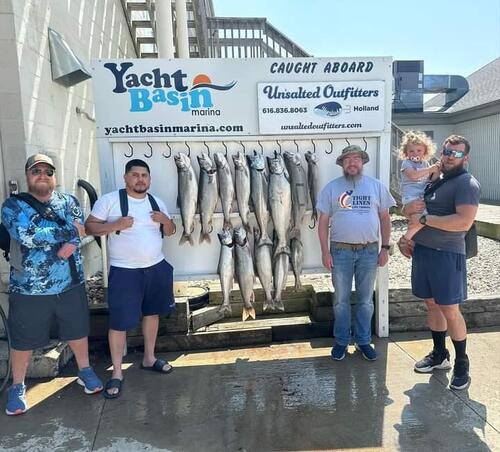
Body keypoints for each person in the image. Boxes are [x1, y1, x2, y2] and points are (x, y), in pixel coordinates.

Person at [1, 154, 103, 416]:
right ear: (27, 175)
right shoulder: (13, 206)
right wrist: (71, 232)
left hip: (70, 283)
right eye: (36, 171)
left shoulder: (69, 201)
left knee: (77, 331)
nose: (42, 176)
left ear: (54, 176)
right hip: (28, 288)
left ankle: (85, 371)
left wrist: (72, 239)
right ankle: (17, 386)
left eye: (48, 171)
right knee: (23, 340)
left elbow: (80, 229)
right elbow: (28, 236)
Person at [85, 159, 176, 399]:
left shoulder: (157, 202)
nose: (140, 179)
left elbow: (170, 231)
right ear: (125, 178)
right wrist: (116, 224)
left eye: (144, 175)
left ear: (149, 179)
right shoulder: (109, 201)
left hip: (156, 267)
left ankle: (149, 358)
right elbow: (90, 227)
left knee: (152, 314)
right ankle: (117, 372)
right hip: (124, 271)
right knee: (119, 323)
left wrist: (166, 221)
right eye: (135, 175)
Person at [399, 135, 480, 390]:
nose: (449, 156)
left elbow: (463, 222)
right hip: (423, 251)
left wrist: (424, 220)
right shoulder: (434, 178)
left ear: (465, 158)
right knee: (432, 304)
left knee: (449, 308)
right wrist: (407, 228)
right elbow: (411, 209)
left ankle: (462, 363)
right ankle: (439, 354)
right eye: (446, 151)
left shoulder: (466, 183)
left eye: (456, 153)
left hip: (447, 254)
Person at [317, 145, 395, 361]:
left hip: (369, 251)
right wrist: (325, 252)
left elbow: (385, 218)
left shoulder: (376, 186)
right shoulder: (331, 188)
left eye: (356, 159)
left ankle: (363, 341)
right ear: (342, 164)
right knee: (340, 300)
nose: (352, 163)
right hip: (340, 251)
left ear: (362, 162)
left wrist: (385, 248)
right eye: (348, 159)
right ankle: (341, 341)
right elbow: (323, 223)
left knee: (366, 300)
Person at [399, 131, 441, 239]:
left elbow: (431, 179)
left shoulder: (425, 163)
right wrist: (430, 169)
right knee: (421, 218)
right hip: (411, 197)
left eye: (419, 150)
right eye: (411, 151)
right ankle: (407, 239)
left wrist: (437, 170)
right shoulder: (406, 163)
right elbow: (413, 175)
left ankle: (410, 239)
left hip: (421, 196)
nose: (415, 153)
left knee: (420, 220)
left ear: (425, 152)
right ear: (406, 152)